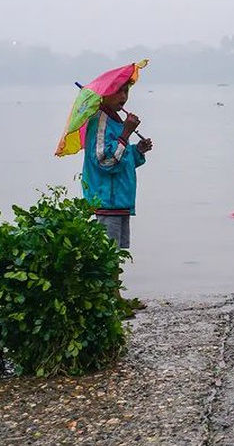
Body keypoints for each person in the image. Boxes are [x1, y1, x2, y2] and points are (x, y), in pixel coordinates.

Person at [82, 80, 153, 310]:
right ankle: (109, 300)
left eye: (126, 91)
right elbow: (106, 161)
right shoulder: (100, 121)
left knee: (115, 253)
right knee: (108, 253)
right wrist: (126, 132)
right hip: (107, 199)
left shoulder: (115, 121)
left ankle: (115, 297)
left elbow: (122, 160)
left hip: (120, 199)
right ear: (104, 95)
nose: (123, 95)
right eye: (118, 91)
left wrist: (137, 151)